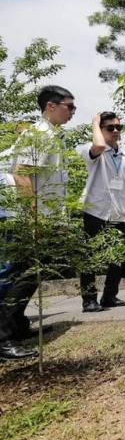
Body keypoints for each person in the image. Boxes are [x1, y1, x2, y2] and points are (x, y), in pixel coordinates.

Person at [0, 85, 75, 360]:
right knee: (21, 274)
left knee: (32, 273)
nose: (72, 113)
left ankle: (16, 325)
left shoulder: (53, 136)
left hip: (43, 214)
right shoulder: (39, 135)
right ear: (50, 107)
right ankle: (4, 339)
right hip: (26, 216)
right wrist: (33, 220)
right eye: (69, 107)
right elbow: (22, 177)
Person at [77, 111, 125, 312]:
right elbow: (99, 146)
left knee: (118, 257)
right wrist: (94, 121)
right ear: (100, 130)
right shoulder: (92, 151)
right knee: (91, 258)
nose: (115, 131)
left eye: (118, 127)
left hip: (120, 213)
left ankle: (110, 296)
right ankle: (89, 299)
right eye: (109, 127)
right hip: (97, 211)